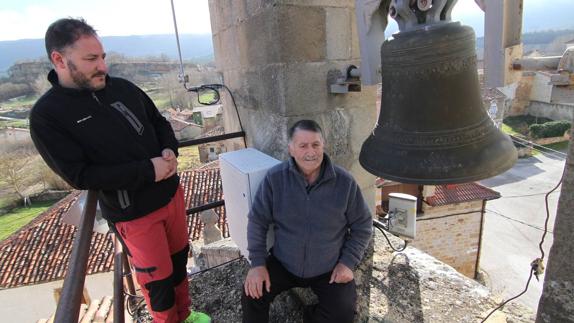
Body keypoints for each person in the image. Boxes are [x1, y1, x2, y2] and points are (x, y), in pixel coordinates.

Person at [29, 18, 209, 323]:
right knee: (158, 282)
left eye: (102, 57)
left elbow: (159, 122)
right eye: (91, 59)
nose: (102, 66)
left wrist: (169, 150)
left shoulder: (123, 88)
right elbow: (81, 176)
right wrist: (147, 170)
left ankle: (187, 316)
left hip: (171, 195)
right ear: (59, 59)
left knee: (179, 262)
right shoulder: (48, 116)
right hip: (134, 213)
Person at [242, 119, 373, 323]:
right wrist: (257, 264)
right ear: (291, 149)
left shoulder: (344, 182)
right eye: (302, 146)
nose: (310, 152)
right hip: (284, 263)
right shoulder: (275, 179)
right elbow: (257, 221)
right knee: (252, 294)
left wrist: (348, 262)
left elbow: (363, 225)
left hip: (328, 268)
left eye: (315, 145)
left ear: (323, 145)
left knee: (343, 312)